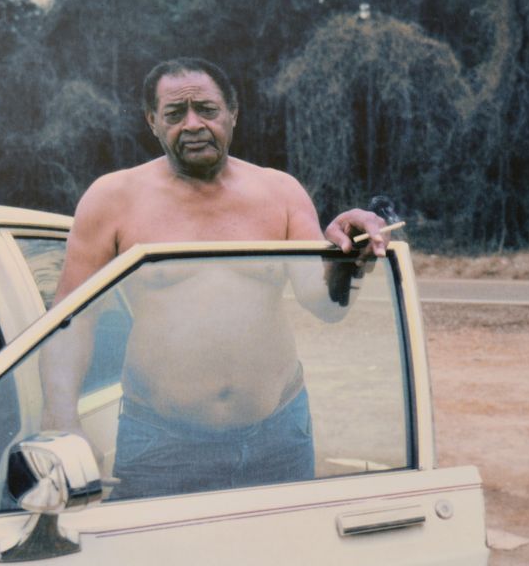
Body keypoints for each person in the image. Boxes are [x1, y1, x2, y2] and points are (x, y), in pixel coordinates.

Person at [41, 57, 389, 499]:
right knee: (154, 547)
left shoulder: (280, 192)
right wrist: (63, 422)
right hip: (160, 443)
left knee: (285, 545)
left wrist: (350, 256)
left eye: (206, 109)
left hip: (278, 436)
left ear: (232, 113)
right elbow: (71, 320)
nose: (192, 124)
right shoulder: (112, 198)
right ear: (152, 121)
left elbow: (323, 304)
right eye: (174, 113)